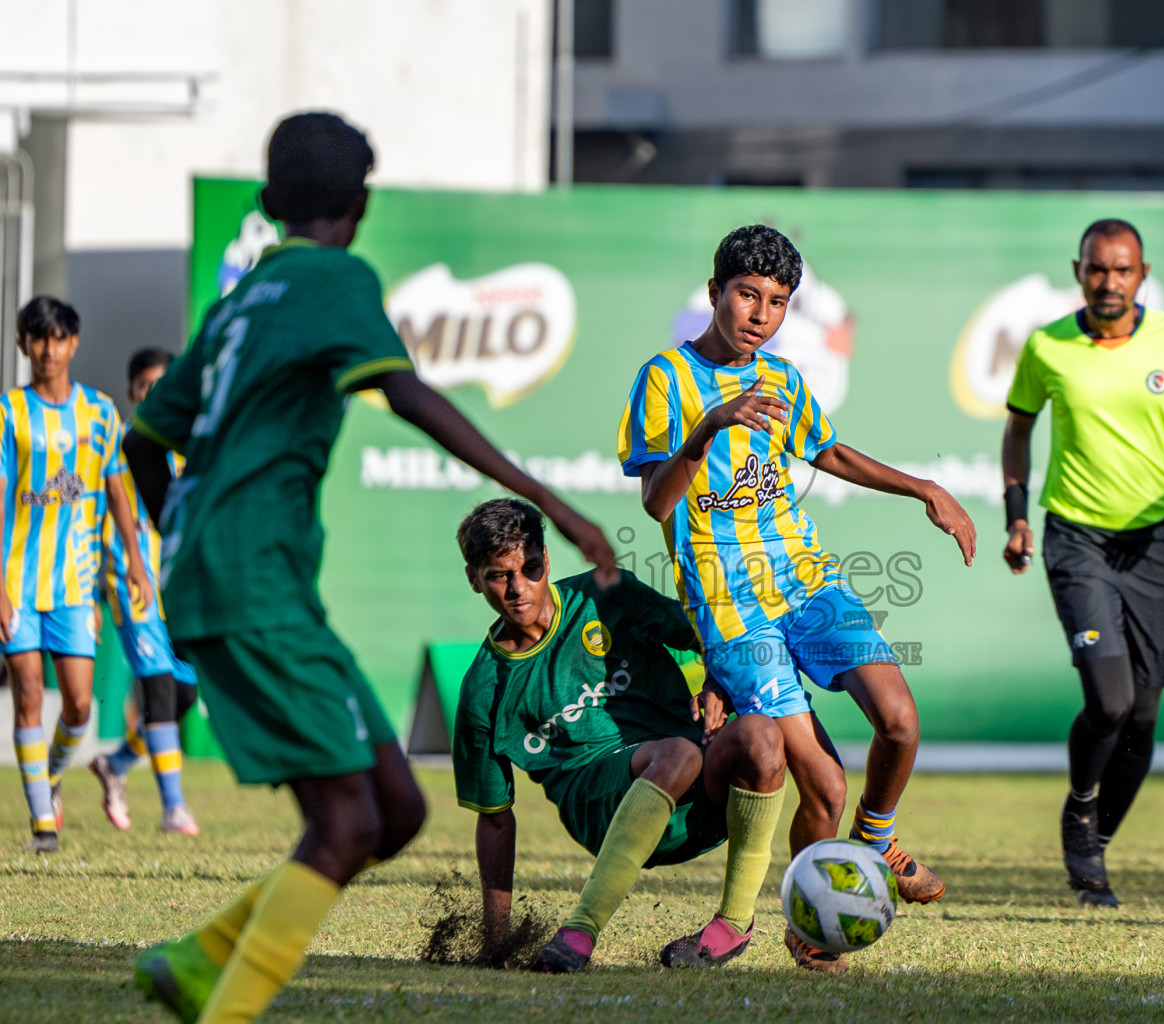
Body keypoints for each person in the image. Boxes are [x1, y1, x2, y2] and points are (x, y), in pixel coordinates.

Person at [124, 111, 615, 1024]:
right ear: (362, 203)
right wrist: (551, 502)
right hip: (255, 582)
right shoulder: (335, 277)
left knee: (395, 808)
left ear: (269, 203)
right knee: (349, 822)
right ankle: (218, 1000)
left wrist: (183, 539)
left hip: (235, 578)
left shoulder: (241, 300)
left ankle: (199, 961)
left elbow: (143, 445)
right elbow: (409, 394)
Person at [618, 224, 976, 972]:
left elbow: (831, 451)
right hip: (730, 606)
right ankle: (808, 928)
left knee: (901, 722)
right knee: (824, 781)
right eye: (747, 295)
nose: (760, 314)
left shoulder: (781, 378)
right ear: (715, 292)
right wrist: (708, 427)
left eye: (777, 302)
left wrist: (925, 488)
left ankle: (874, 844)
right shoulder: (664, 379)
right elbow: (657, 502)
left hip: (807, 582)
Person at [1000, 218, 1164, 907]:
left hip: (1153, 545)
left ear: (1141, 274)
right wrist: (1016, 514)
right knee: (1108, 701)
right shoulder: (1048, 346)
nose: (1109, 282)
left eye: (1123, 270)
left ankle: (1094, 844)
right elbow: (1018, 430)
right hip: (1075, 538)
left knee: (1143, 717)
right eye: (1097, 270)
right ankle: (1080, 808)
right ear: (1078, 270)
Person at [453, 498, 789, 972]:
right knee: (678, 753)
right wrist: (496, 942)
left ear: (547, 560)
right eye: (498, 575)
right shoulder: (483, 690)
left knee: (763, 737)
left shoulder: (606, 596)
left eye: (530, 568)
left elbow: (713, 636)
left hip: (694, 798)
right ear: (474, 579)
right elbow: (494, 819)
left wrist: (716, 684)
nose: (518, 588)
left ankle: (733, 924)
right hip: (599, 810)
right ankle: (580, 931)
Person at [2, 296, 152, 854]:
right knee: (28, 695)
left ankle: (52, 775)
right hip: (17, 580)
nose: (48, 348)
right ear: (23, 346)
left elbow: (117, 491)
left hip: (72, 585)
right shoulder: (7, 413)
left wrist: (135, 560)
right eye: (37, 338)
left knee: (81, 706)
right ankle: (43, 821)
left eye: (58, 337)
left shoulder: (100, 413)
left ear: (74, 343)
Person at [91, 347, 201, 835]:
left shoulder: (187, 448)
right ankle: (174, 808)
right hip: (130, 583)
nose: (153, 394)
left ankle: (115, 765)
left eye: (163, 385)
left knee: (179, 696)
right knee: (157, 685)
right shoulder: (115, 449)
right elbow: (92, 517)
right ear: (133, 391)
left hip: (177, 588)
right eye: (145, 386)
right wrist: (91, 587)